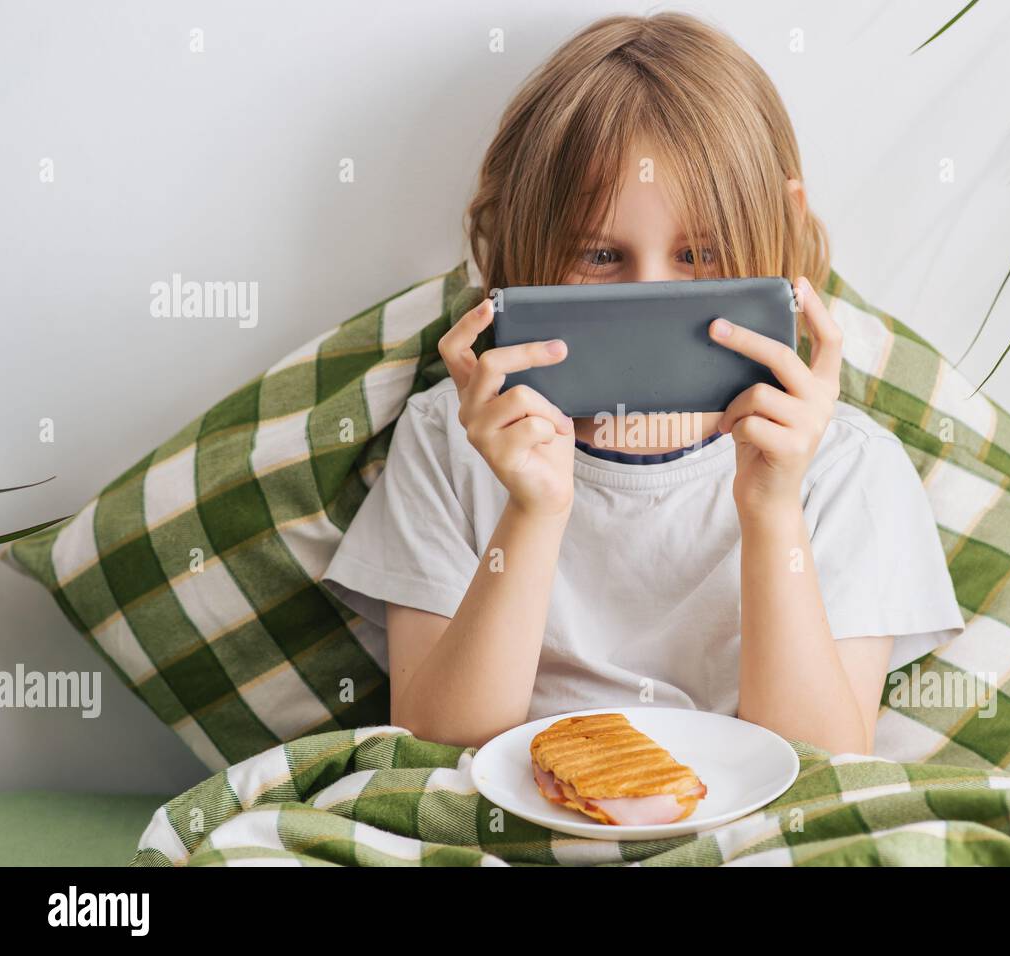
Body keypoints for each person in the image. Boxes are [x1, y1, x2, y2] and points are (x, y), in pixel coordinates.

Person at [322, 12, 964, 754]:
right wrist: (534, 511)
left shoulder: (847, 468)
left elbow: (825, 766)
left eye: (699, 253)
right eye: (600, 255)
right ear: (523, 244)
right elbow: (434, 750)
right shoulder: (451, 441)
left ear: (784, 224)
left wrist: (772, 508)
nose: (651, 294)